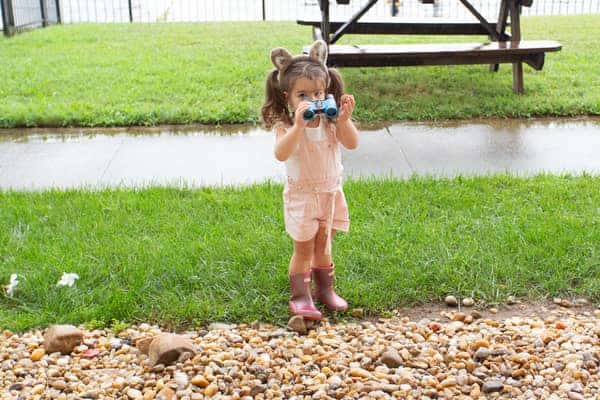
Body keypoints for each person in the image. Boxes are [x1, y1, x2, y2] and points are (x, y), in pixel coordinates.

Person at [261, 40, 359, 320]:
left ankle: (325, 290)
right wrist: (300, 126)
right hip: (302, 198)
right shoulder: (287, 127)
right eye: (303, 94)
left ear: (326, 92)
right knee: (303, 248)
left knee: (324, 245)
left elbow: (352, 143)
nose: (313, 100)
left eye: (318, 93)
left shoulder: (330, 121)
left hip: (329, 193)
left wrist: (344, 120)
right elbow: (282, 153)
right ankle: (301, 296)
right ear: (287, 97)